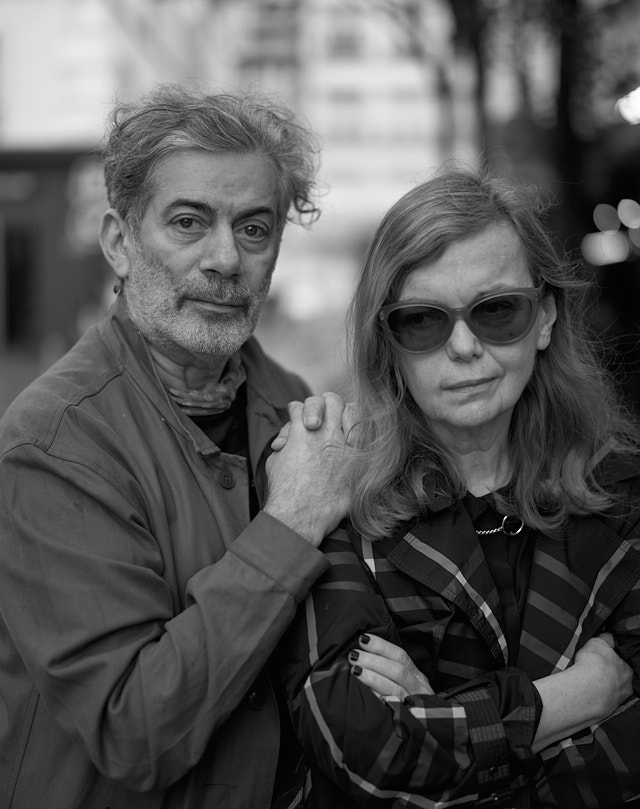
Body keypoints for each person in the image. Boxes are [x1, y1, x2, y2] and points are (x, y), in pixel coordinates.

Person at [0, 84, 352, 809]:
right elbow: (136, 729)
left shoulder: (292, 400)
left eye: (255, 230)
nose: (226, 259)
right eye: (189, 222)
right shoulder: (54, 441)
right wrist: (291, 525)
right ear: (120, 243)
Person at [281, 166, 640, 808]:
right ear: (387, 342)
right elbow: (360, 751)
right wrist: (570, 701)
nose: (466, 347)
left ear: (545, 319)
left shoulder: (624, 492)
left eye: (498, 310)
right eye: (423, 321)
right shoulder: (338, 504)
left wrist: (442, 718)